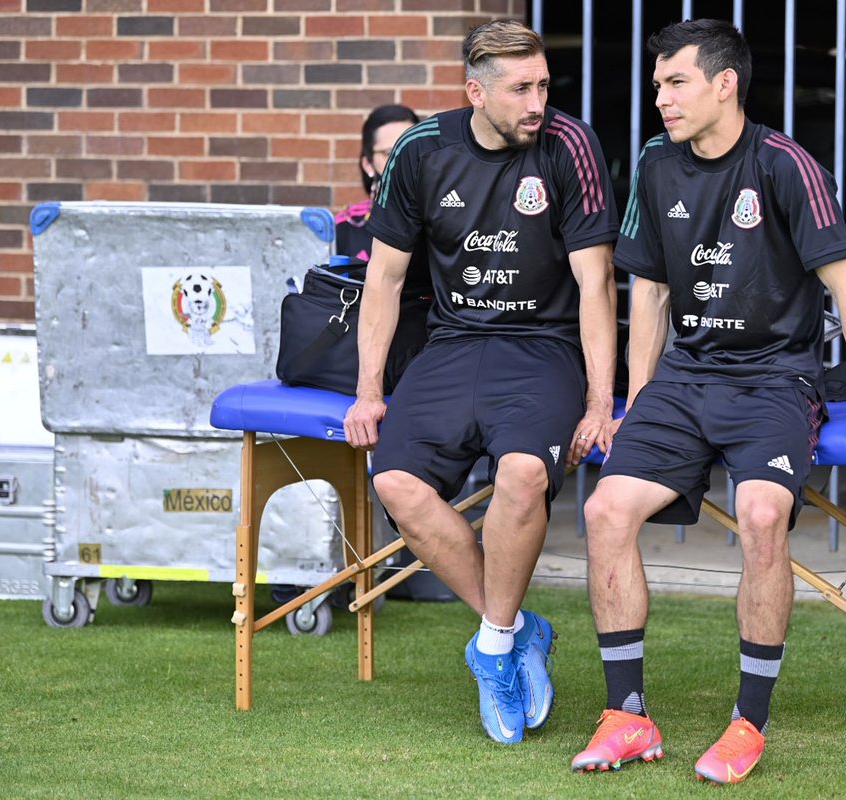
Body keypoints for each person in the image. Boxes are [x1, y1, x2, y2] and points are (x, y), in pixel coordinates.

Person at [571, 19, 846, 784]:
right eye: (657, 84)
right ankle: (627, 715)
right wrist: (636, 401)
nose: (660, 98)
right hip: (685, 380)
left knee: (761, 517)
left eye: (675, 82)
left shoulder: (785, 164)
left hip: (774, 380)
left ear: (726, 83)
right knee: (603, 511)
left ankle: (746, 725)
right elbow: (649, 292)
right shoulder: (657, 163)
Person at [343, 19, 619, 745]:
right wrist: (370, 389)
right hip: (454, 343)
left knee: (523, 475)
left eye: (543, 85)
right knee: (395, 482)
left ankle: (491, 646)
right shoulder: (421, 150)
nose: (538, 101)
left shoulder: (569, 145)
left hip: (544, 348)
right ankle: (517, 629)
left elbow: (598, 284)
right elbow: (386, 277)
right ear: (476, 91)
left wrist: (600, 401)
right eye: (521, 88)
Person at [335, 103, 421, 263]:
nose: (402, 160)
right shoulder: (344, 226)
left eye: (410, 149)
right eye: (389, 153)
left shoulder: (445, 217)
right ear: (368, 163)